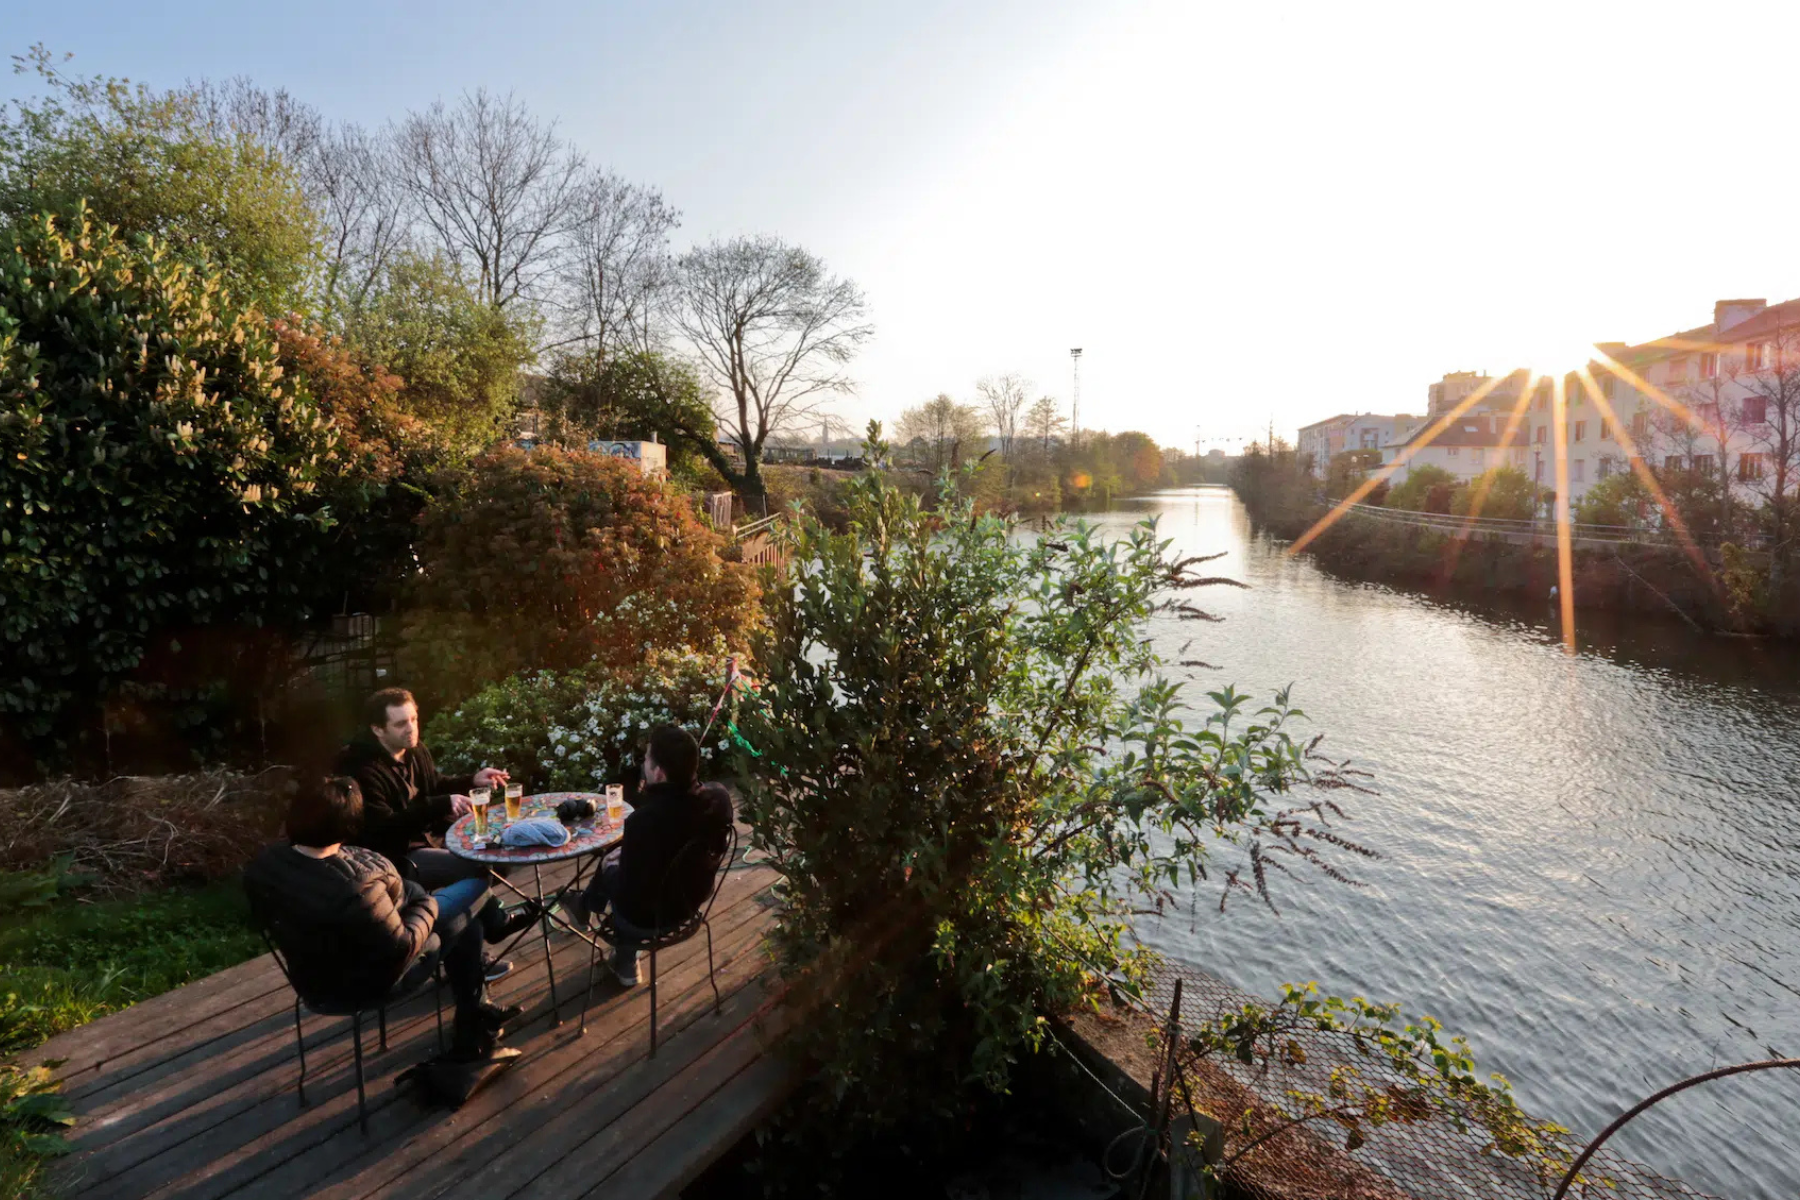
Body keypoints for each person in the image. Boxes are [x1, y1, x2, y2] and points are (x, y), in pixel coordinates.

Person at [243, 777, 521, 1061]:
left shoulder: (267, 865)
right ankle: (473, 1020)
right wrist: (424, 903)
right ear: (350, 825)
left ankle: (475, 1014)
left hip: (311, 979)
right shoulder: (356, 884)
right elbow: (404, 946)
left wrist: (408, 894)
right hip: (372, 982)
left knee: (463, 915)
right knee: (473, 891)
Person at [335, 687, 536, 978]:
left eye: (414, 719)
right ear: (377, 729)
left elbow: (435, 785)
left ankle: (483, 938)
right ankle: (480, 949)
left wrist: (471, 780)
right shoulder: (361, 769)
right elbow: (383, 827)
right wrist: (439, 805)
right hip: (395, 857)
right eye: (401, 723)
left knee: (496, 851)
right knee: (473, 869)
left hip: (430, 838)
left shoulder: (413, 749)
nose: (412, 729)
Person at [564, 725, 734, 985]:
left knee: (612, 858)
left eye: (646, 759)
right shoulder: (719, 799)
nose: (643, 763)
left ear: (658, 772)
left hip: (647, 920)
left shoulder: (643, 822)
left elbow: (630, 895)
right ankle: (592, 916)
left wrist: (610, 865)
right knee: (636, 864)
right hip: (692, 903)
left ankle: (591, 912)